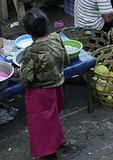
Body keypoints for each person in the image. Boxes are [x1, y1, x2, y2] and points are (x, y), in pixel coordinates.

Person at [19, 9, 76, 159]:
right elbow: (66, 61)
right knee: (53, 117)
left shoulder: (30, 51)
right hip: (57, 87)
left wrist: (20, 73)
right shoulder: (56, 38)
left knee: (41, 127)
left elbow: (26, 81)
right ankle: (61, 141)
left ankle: (48, 154)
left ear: (29, 31)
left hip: (40, 94)